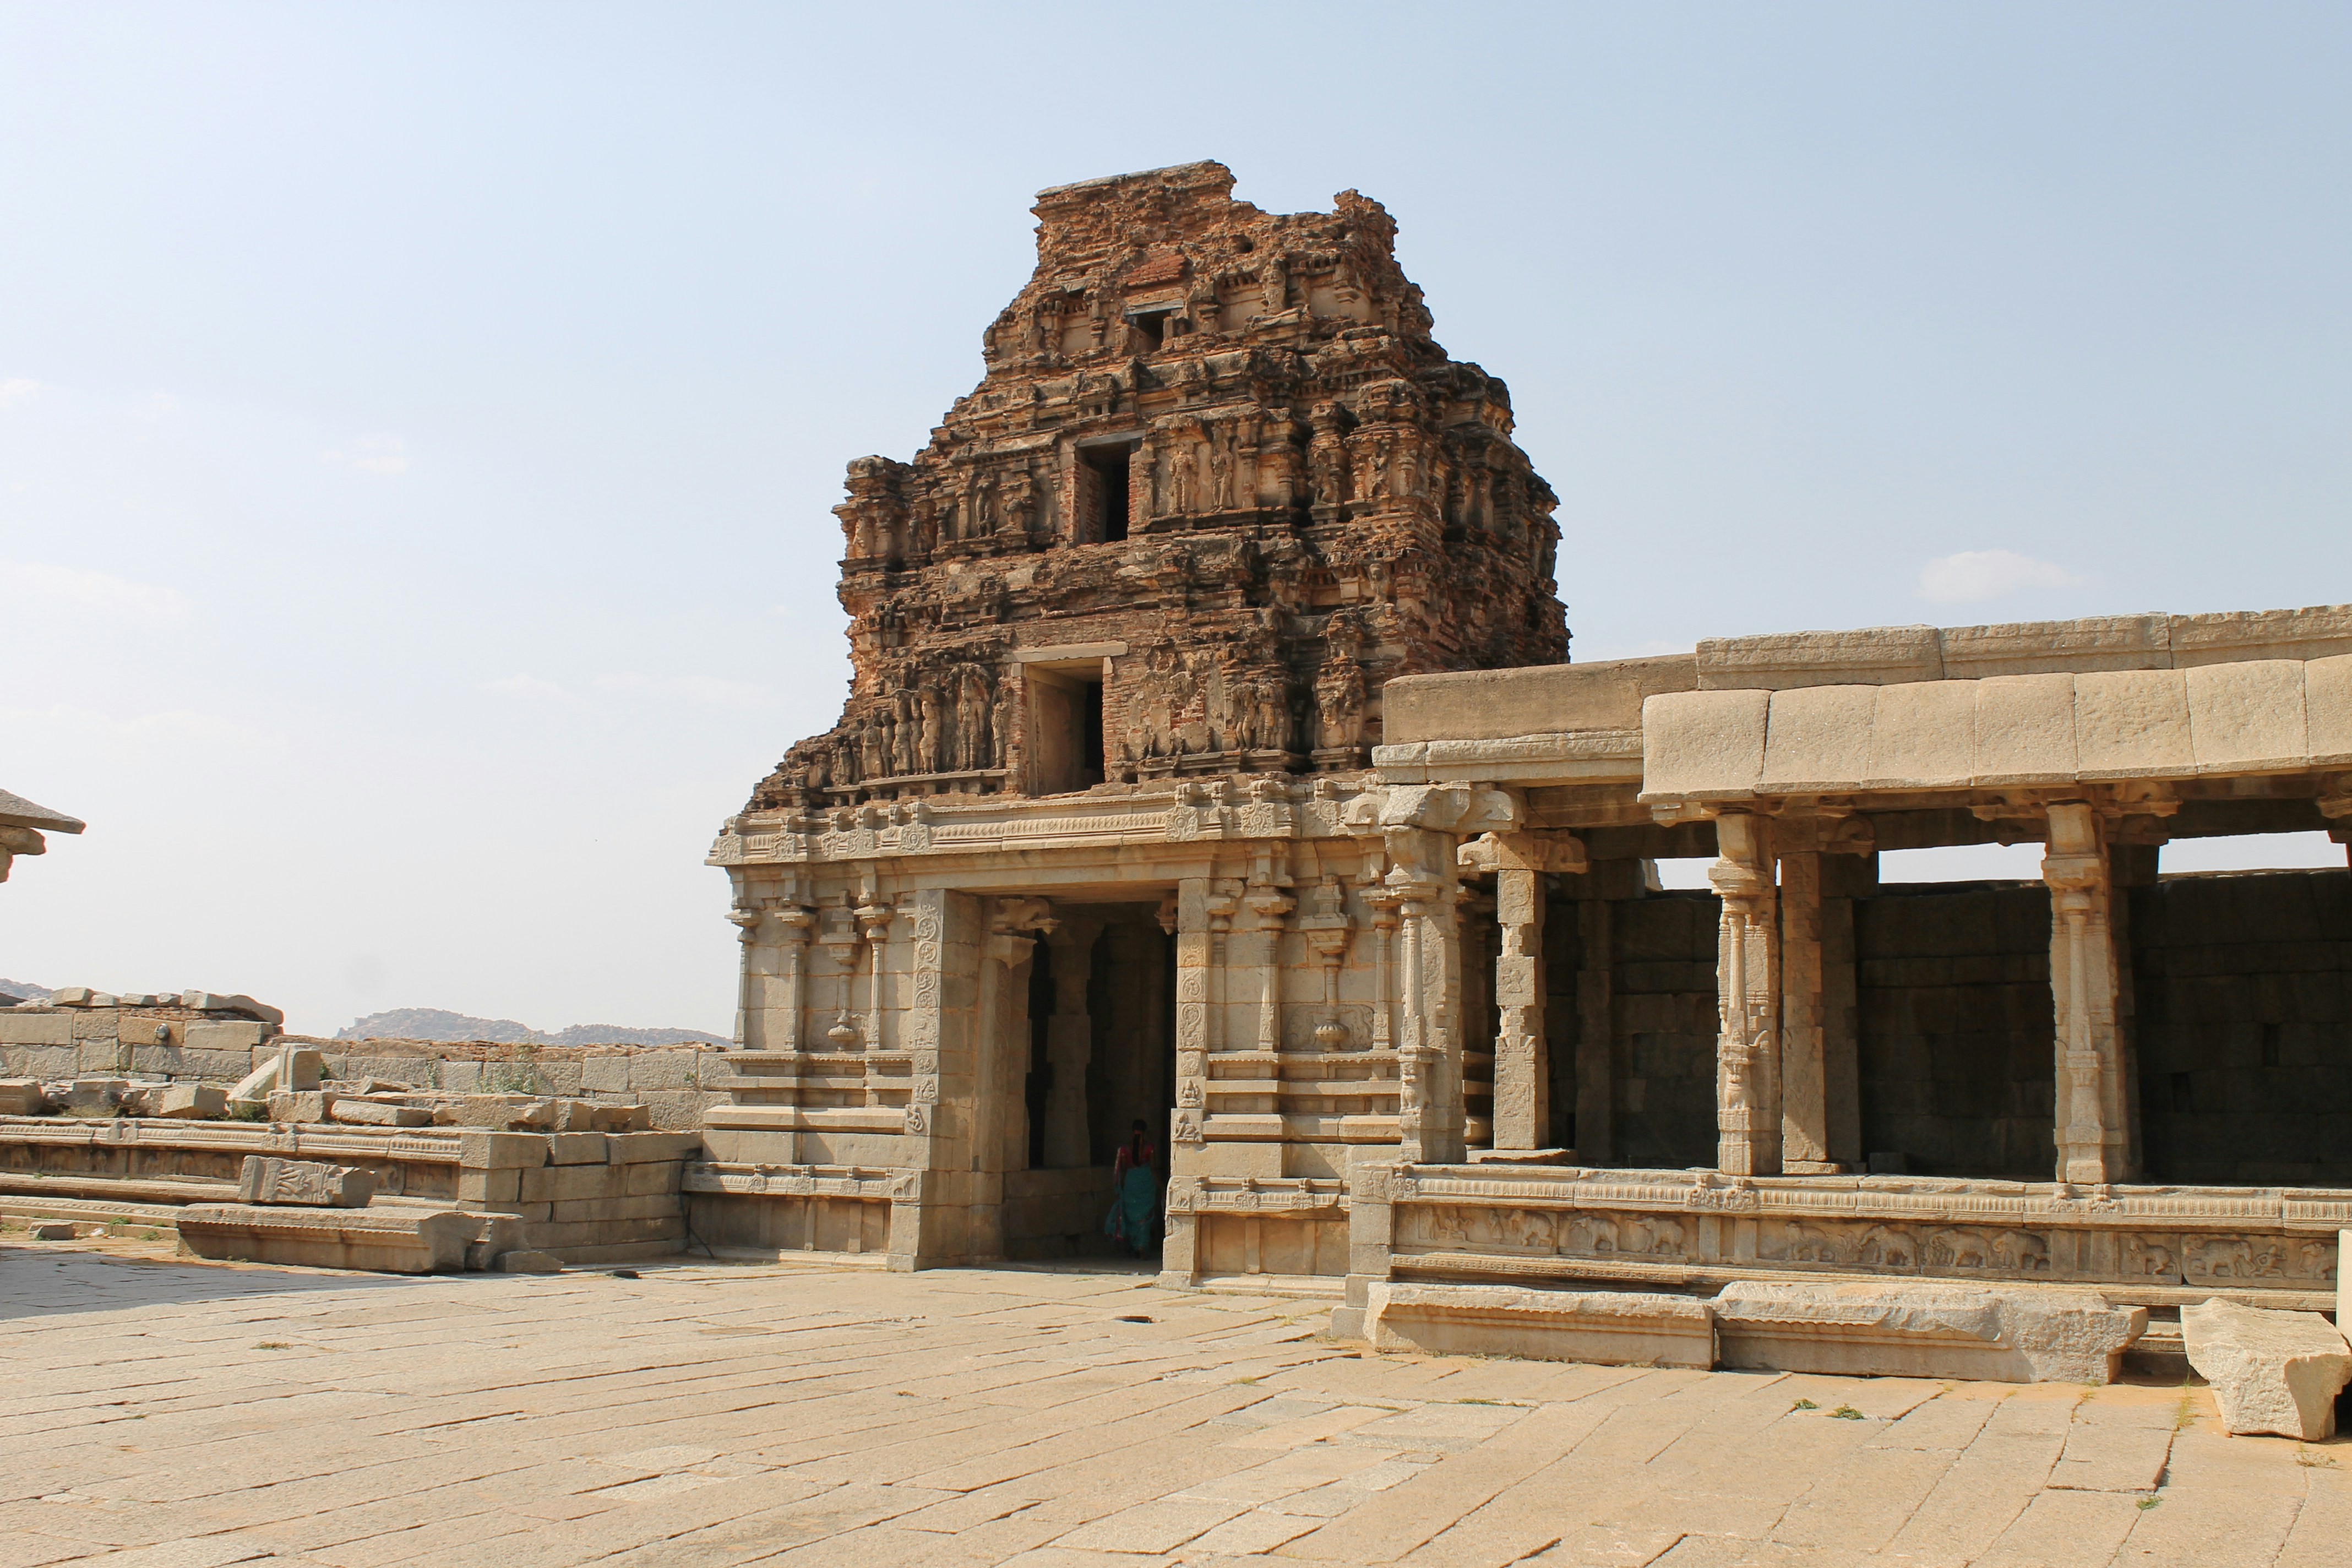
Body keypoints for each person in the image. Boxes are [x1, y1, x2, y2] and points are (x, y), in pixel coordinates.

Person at [1105, 1118, 1161, 1259]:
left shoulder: (1125, 1150)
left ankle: (1133, 1246)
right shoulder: (1150, 1149)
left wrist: (1120, 1189)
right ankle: (1142, 1247)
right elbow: (1154, 1169)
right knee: (1144, 1218)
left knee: (1132, 1217)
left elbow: (1123, 1171)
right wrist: (1163, 1186)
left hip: (1131, 1185)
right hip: (1146, 1185)